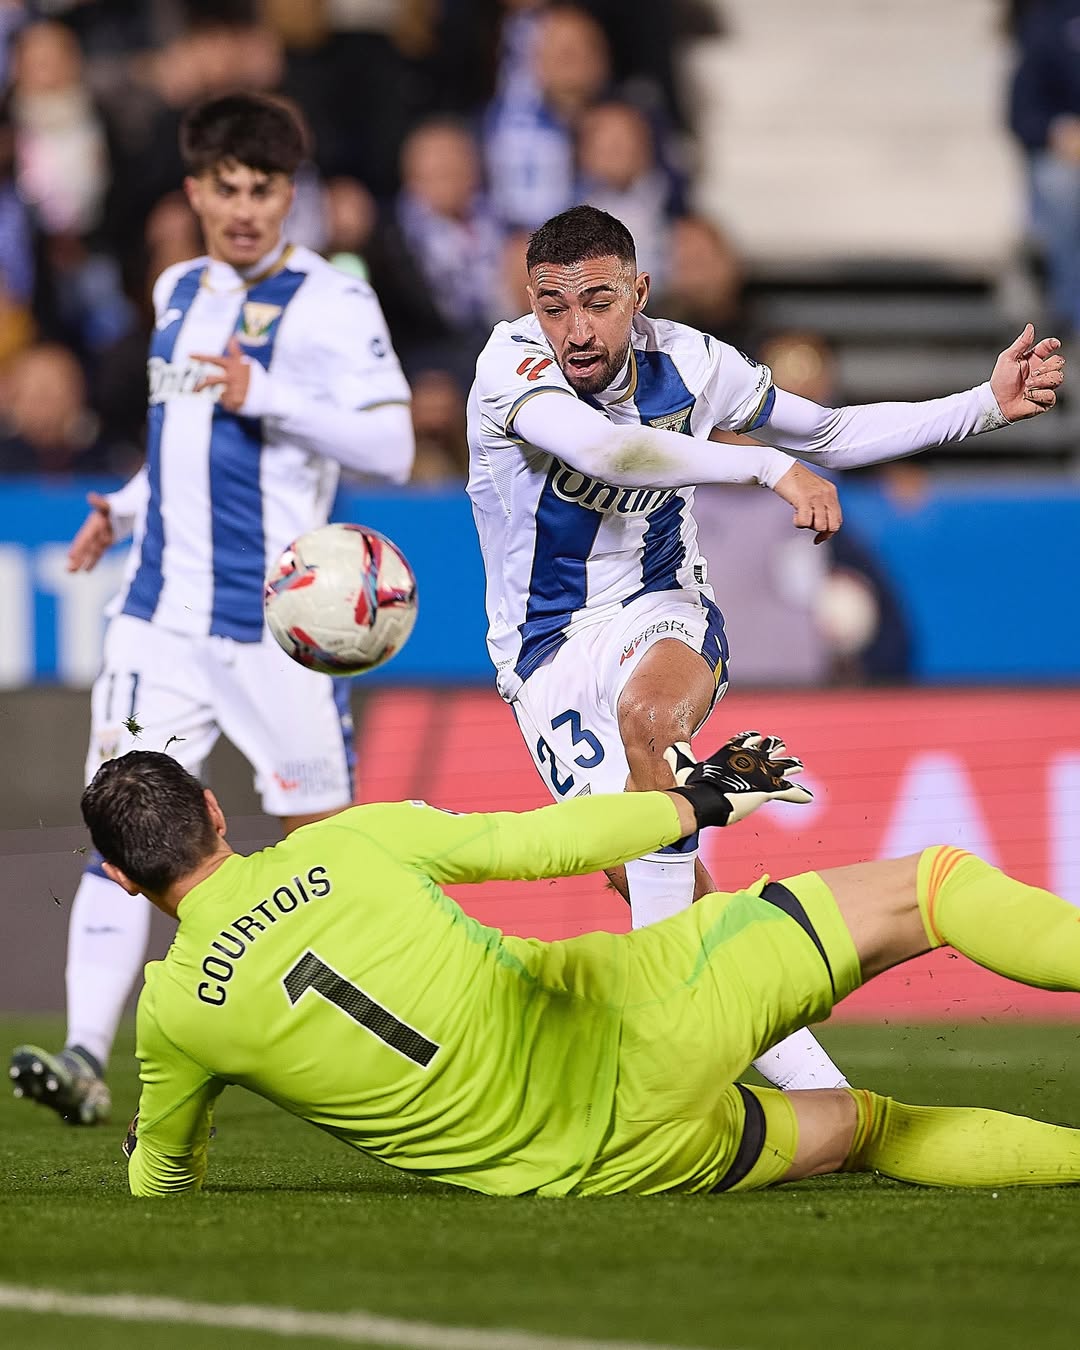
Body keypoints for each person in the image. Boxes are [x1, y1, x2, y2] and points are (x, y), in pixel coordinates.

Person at [464, 203, 1065, 1091]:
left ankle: (665, 1037)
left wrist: (983, 404)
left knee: (648, 720)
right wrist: (762, 466)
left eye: (597, 301)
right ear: (531, 302)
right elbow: (607, 453)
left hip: (661, 607)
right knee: (648, 875)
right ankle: (821, 1088)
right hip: (543, 654)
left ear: (639, 293)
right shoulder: (507, 365)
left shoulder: (694, 363)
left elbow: (825, 433)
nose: (575, 329)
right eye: (554, 305)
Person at [67, 743, 1080, 1198]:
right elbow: (545, 842)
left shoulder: (174, 1018)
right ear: (213, 811)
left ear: (117, 878)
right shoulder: (356, 842)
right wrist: (697, 801)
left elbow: (163, 1177)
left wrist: (152, 1167)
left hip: (608, 1169)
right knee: (936, 885)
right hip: (639, 1015)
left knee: (869, 1129)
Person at [10, 92, 414, 1126]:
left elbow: (392, 447)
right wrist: (128, 507)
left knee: (331, 847)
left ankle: (395, 1044)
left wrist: (264, 394)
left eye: (264, 189)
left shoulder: (332, 303)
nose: (243, 209)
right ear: (193, 191)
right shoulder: (179, 286)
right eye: (224, 189)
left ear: (293, 191)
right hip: (162, 616)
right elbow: (180, 437)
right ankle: (87, 1056)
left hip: (282, 626)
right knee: (121, 826)